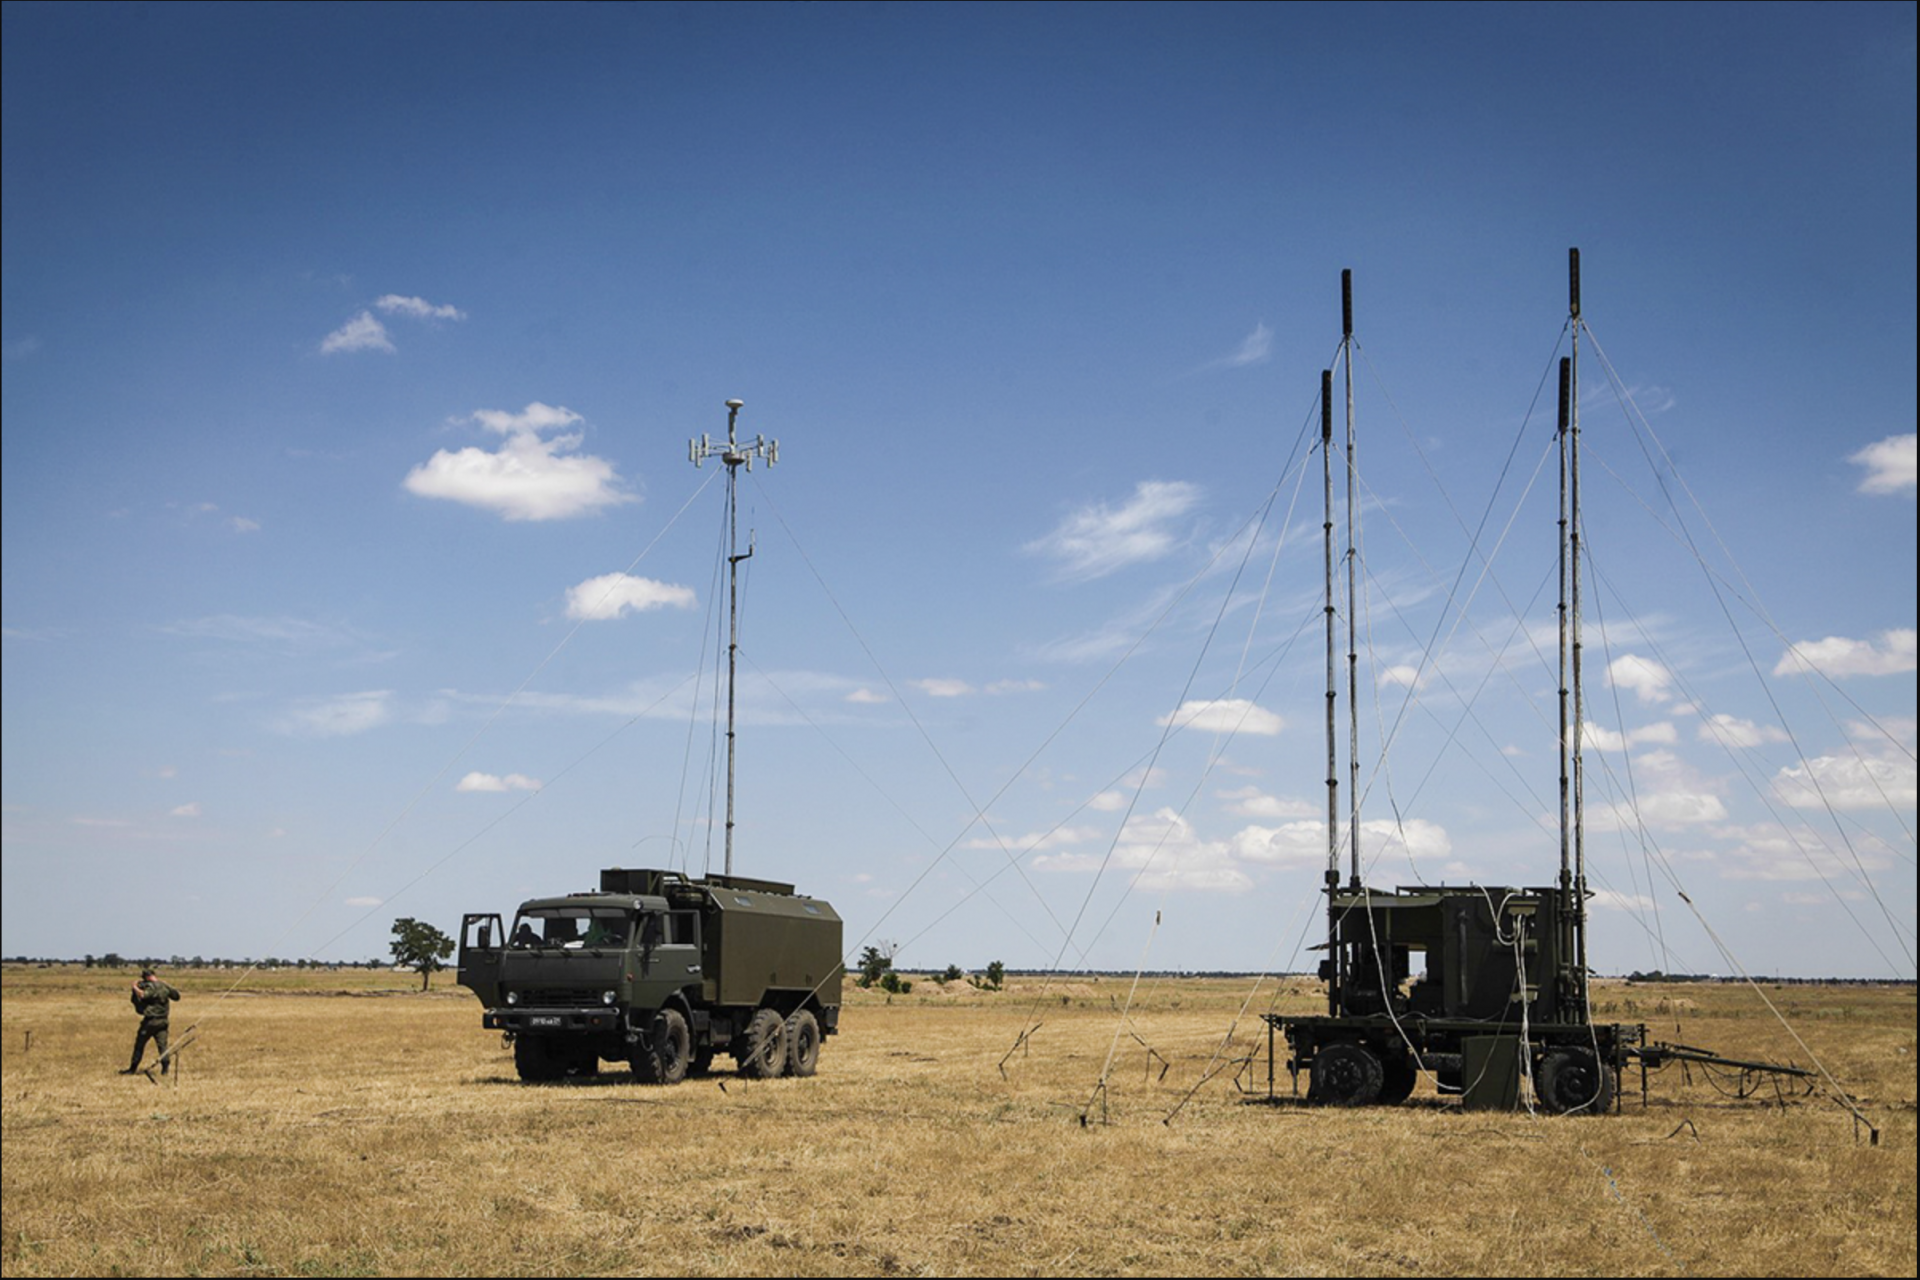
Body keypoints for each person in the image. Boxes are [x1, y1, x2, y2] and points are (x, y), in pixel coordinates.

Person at [123, 968, 181, 1075]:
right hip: (163, 1021)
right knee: (163, 1046)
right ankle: (165, 1069)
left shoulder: (152, 987)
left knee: (140, 1044)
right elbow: (176, 996)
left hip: (150, 1021)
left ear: (146, 977)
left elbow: (143, 995)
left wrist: (135, 987)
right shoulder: (164, 985)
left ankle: (132, 1069)